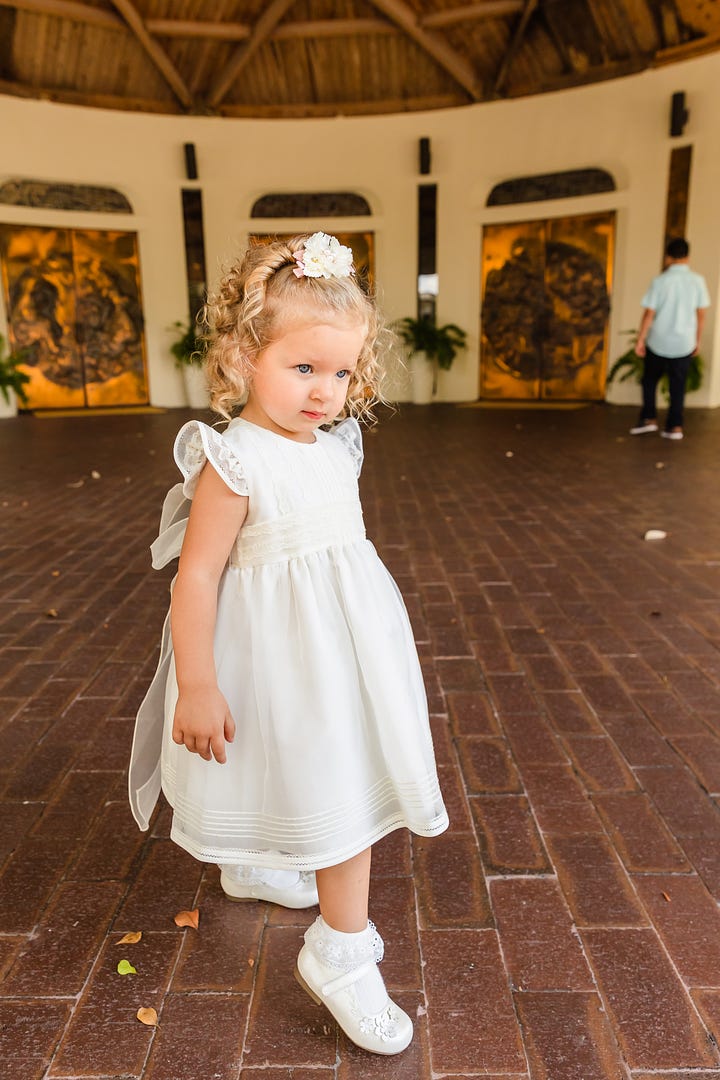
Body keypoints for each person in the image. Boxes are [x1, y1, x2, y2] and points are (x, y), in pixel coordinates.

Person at [128, 232, 448, 1055]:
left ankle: (261, 864)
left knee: (322, 768)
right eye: (303, 368)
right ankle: (340, 952)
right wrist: (195, 684)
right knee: (333, 778)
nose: (324, 392)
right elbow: (195, 578)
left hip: (346, 648)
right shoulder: (233, 461)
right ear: (242, 356)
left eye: (340, 373)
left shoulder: (337, 444)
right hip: (280, 655)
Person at [630, 237, 710, 440]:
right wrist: (697, 341)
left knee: (649, 380)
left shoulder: (660, 281)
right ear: (688, 257)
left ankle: (648, 419)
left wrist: (641, 339)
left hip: (658, 340)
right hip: (684, 342)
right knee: (678, 385)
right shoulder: (698, 281)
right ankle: (675, 427)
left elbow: (649, 313)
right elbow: (701, 315)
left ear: (668, 257)